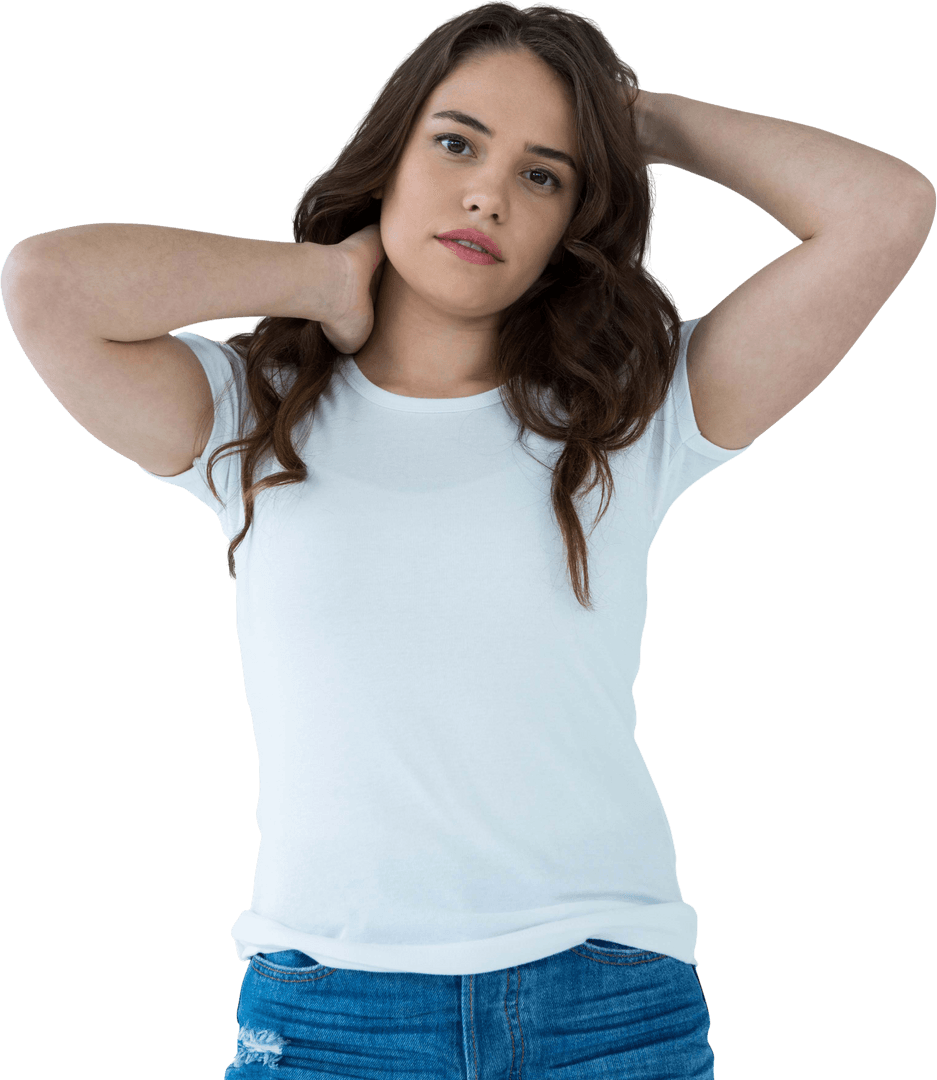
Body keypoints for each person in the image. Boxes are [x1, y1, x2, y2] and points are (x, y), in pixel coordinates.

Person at [2, 3, 932, 1077]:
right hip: (332, 1018)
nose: (488, 191)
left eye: (545, 174)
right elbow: (46, 285)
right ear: (388, 155)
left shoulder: (635, 417)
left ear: (574, 219)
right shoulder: (247, 416)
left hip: (607, 1006)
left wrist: (632, 116)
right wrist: (320, 281)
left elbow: (886, 208)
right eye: (455, 143)